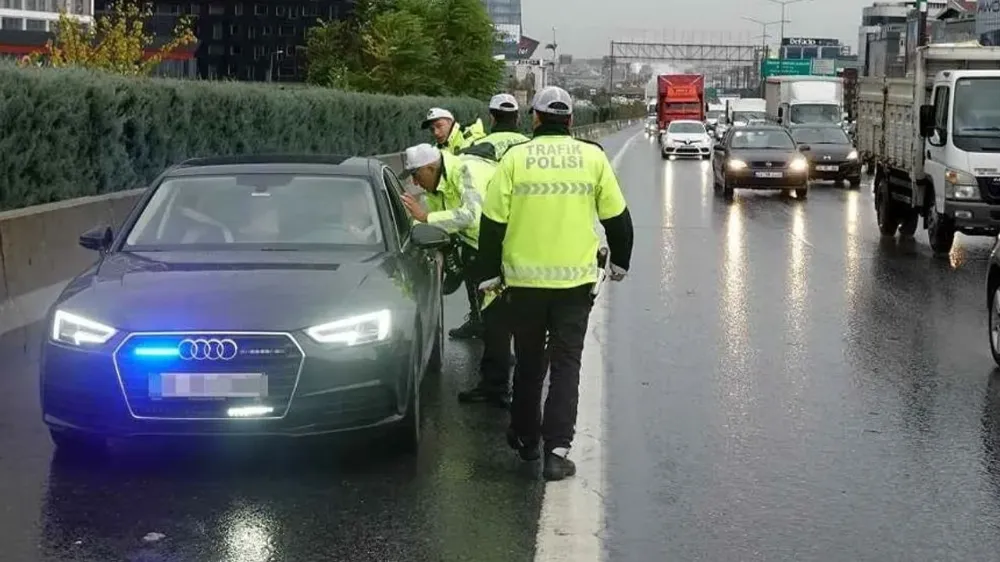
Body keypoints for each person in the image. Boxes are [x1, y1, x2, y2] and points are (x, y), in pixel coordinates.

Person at [477, 86, 635, 481]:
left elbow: (492, 222)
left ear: (535, 118)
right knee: (566, 365)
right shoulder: (591, 156)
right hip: (574, 285)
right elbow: (618, 219)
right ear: (570, 121)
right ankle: (557, 451)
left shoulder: (515, 158)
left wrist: (489, 273)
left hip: (524, 283)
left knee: (529, 362)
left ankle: (526, 439)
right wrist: (621, 262)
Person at [400, 144, 489, 337]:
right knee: (474, 280)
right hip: (475, 242)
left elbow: (471, 216)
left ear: (430, 168)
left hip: (502, 239)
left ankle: (504, 350)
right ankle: (478, 322)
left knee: (499, 303)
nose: (415, 183)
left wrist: (425, 218)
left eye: (416, 175)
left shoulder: (466, 170)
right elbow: (433, 218)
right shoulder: (434, 187)